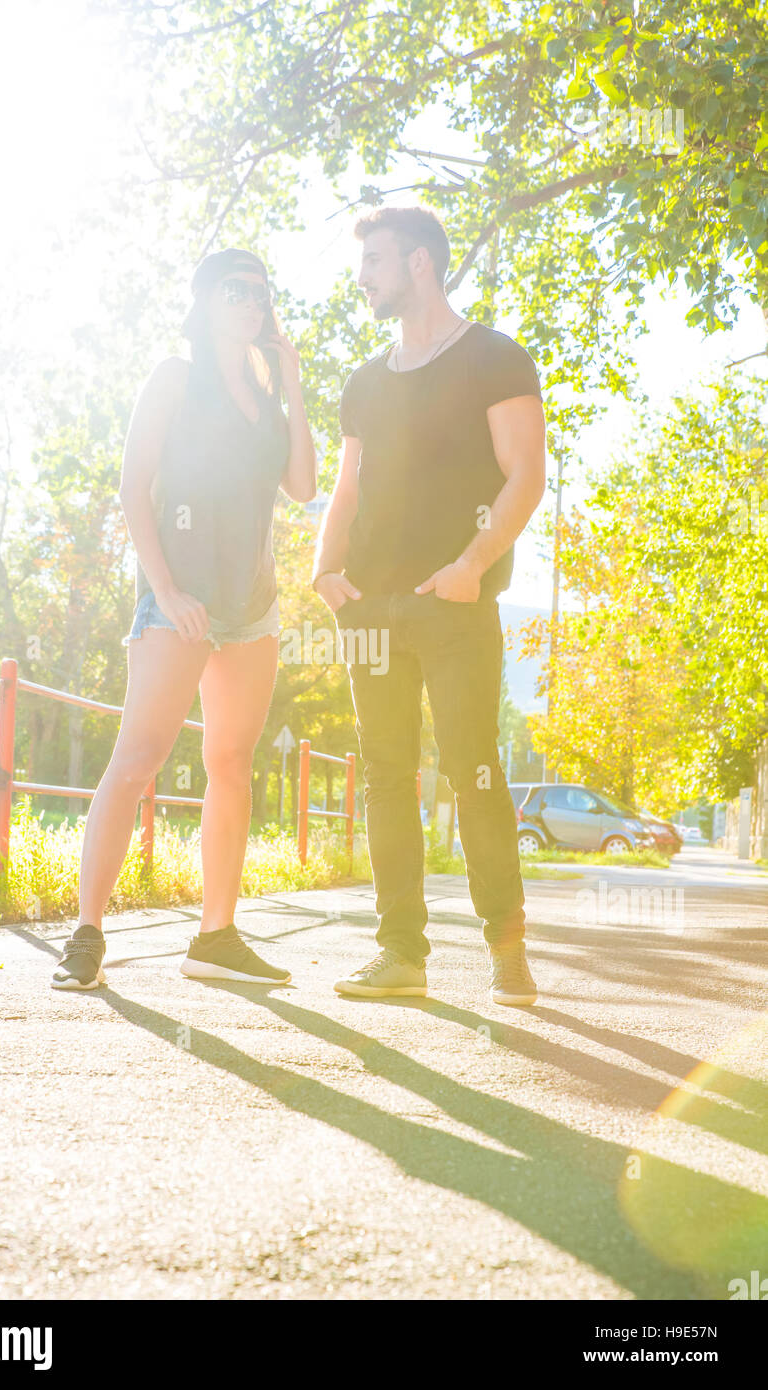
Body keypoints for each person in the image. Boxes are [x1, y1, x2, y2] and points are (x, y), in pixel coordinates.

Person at [51, 249, 316, 990]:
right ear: (203, 302)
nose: (252, 303)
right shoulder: (174, 376)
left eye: (262, 294)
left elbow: (302, 486)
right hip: (180, 601)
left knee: (231, 765)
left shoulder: (266, 396)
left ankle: (216, 937)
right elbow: (134, 488)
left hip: (252, 608)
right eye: (236, 291)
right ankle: (86, 935)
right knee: (137, 758)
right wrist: (163, 590)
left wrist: (291, 380)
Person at [313, 206, 546, 1005]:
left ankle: (505, 950)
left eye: (373, 259)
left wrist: (470, 565)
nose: (362, 276)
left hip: (455, 603)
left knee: (471, 770)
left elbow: (524, 475)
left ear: (418, 263)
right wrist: (324, 571)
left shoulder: (493, 357)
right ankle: (401, 955)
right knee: (384, 777)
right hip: (371, 609)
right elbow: (347, 488)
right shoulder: (365, 381)